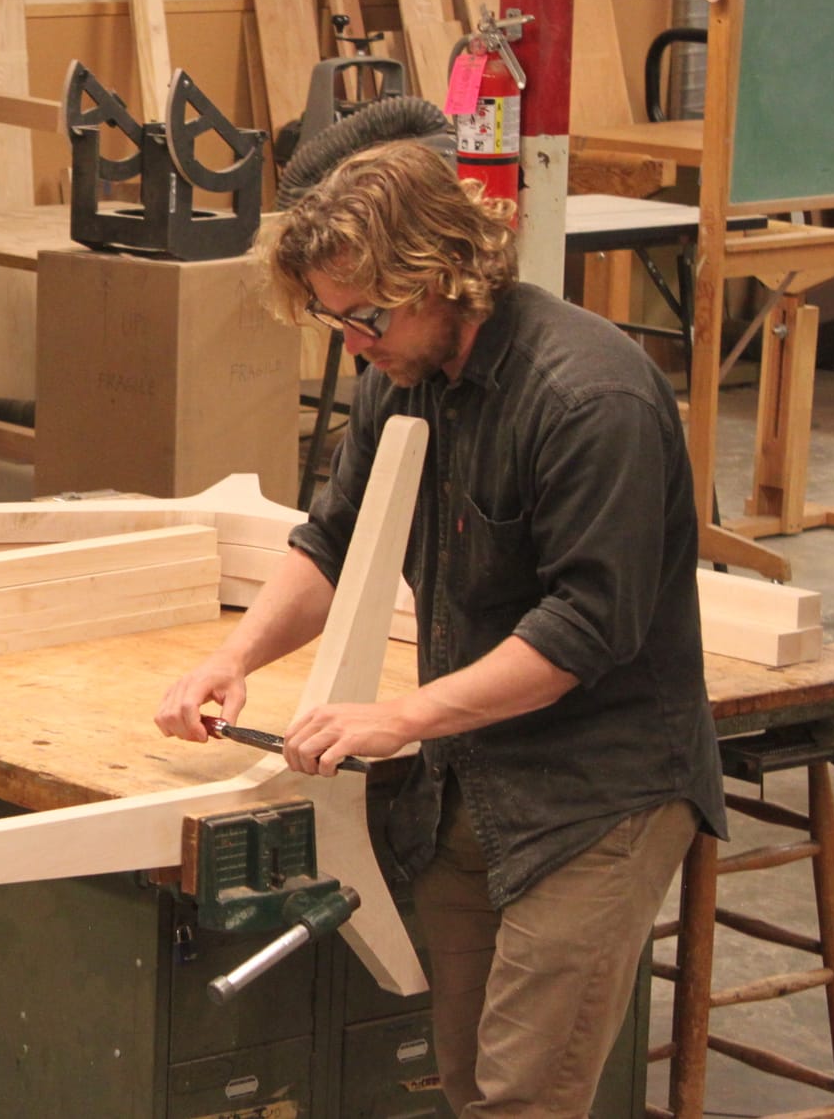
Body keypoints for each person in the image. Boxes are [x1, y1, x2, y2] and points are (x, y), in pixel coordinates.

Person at [153, 141, 726, 1117]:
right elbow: (333, 541)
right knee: (467, 1084)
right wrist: (231, 657)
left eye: (363, 316)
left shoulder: (588, 396)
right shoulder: (396, 376)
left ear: (440, 276)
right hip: (467, 783)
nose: (348, 343)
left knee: (521, 1096)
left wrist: (401, 717)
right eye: (331, 320)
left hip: (595, 794)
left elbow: (585, 626)